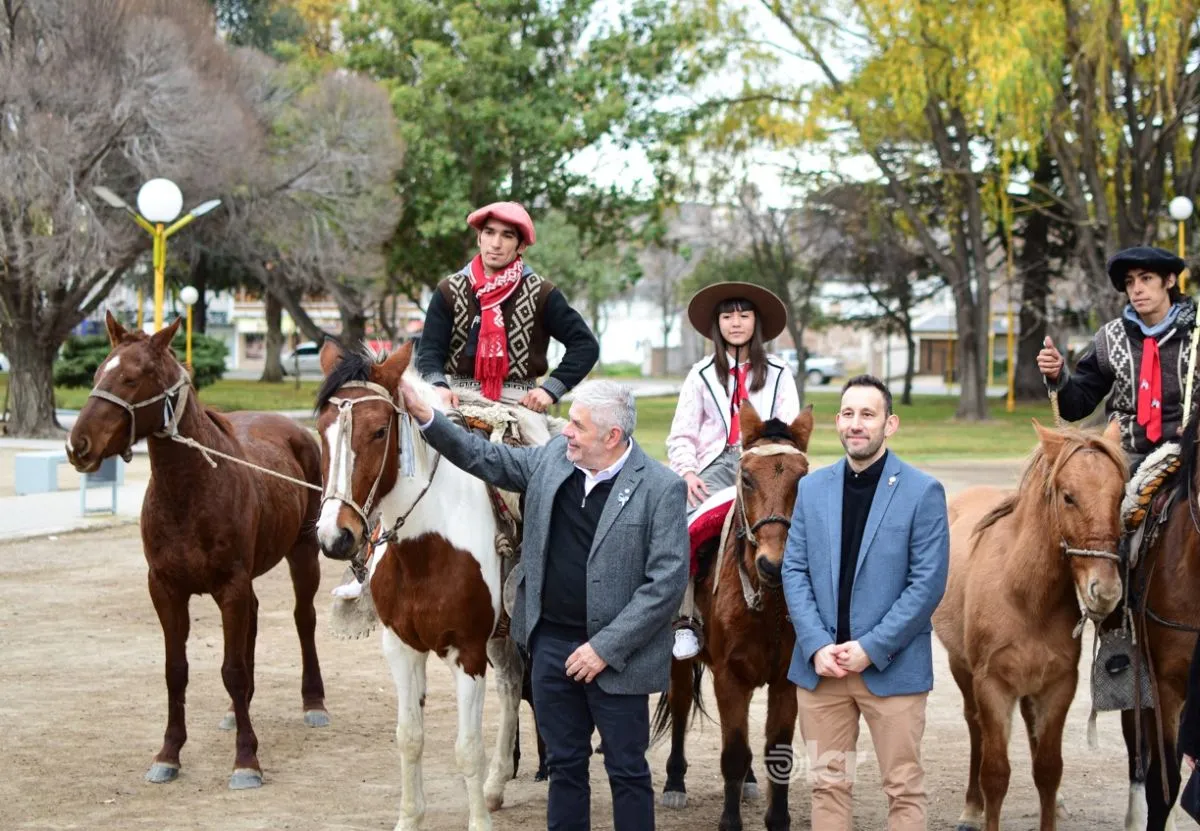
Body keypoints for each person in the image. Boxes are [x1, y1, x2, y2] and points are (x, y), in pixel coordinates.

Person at [399, 377, 688, 831]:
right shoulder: (555, 458)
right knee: (566, 769)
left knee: (628, 773)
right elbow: (486, 458)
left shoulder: (661, 488)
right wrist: (426, 417)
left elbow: (665, 584)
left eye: (577, 424)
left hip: (619, 658)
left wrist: (604, 649)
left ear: (612, 437)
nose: (565, 431)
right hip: (552, 648)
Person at [781, 375, 949, 830]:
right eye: (849, 414)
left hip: (891, 670)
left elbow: (926, 584)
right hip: (823, 672)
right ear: (837, 421)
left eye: (868, 414)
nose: (857, 424)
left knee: (904, 789)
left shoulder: (922, 492)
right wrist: (816, 644)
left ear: (889, 424)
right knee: (827, 786)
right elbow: (793, 571)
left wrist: (871, 647)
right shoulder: (812, 490)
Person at [664, 281, 800, 660]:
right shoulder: (701, 373)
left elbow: (789, 428)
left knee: (801, 522)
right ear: (717, 324)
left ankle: (802, 613)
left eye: (743, 314)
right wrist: (689, 472)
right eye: (727, 316)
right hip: (714, 465)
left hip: (766, 462)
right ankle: (686, 619)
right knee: (681, 525)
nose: (735, 323)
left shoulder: (778, 372)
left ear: (756, 322)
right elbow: (682, 434)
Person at [416, 200, 599, 430]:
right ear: (478, 238)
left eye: (507, 236)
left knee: (543, 462)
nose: (496, 243)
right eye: (489, 233)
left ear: (521, 245)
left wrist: (550, 389)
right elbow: (429, 352)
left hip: (519, 402)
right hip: (457, 398)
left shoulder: (541, 292)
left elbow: (585, 345)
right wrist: (439, 386)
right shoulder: (449, 290)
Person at [1037, 246, 1196, 472]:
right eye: (1130, 282)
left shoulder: (1196, 333)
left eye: (1146, 279)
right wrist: (1058, 375)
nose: (1137, 289)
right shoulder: (1110, 338)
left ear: (1169, 280)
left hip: (1188, 452)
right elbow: (1077, 405)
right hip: (1124, 454)